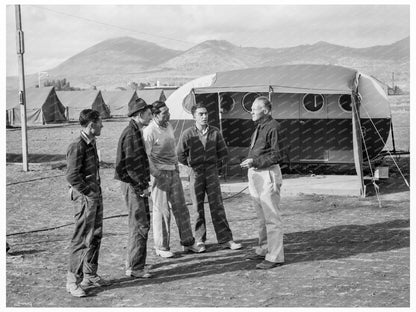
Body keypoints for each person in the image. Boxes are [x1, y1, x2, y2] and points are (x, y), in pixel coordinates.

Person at [176, 103, 242, 251]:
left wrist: (214, 164)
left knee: (217, 206)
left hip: (211, 172)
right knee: (197, 208)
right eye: (200, 114)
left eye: (205, 113)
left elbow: (223, 152)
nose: (204, 116)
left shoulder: (215, 132)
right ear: (194, 116)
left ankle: (226, 239)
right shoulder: (187, 134)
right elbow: (180, 153)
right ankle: (199, 240)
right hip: (196, 173)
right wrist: (190, 164)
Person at [143, 101, 204, 258]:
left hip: (173, 172)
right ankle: (161, 247)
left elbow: (172, 149)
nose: (168, 114)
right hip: (159, 174)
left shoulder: (168, 126)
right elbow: (146, 156)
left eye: (168, 111)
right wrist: (155, 173)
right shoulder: (149, 131)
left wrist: (176, 168)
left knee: (181, 209)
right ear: (155, 115)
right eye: (164, 112)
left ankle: (188, 242)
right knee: (162, 211)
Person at [65, 109, 107, 297]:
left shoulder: (91, 142)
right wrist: (89, 192)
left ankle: (90, 274)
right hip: (85, 199)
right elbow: (72, 175)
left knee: (96, 235)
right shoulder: (77, 145)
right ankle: (72, 281)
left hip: (94, 196)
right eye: (99, 123)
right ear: (91, 125)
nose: (102, 126)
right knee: (81, 238)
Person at [240, 96, 285, 269]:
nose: (251, 111)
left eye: (254, 108)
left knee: (272, 217)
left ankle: (275, 256)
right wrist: (251, 162)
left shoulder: (274, 127)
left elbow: (277, 155)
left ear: (265, 111)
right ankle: (263, 249)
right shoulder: (260, 127)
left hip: (268, 174)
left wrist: (254, 162)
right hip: (257, 174)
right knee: (261, 216)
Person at [114, 98, 153, 278]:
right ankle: (136, 267)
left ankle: (133, 262)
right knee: (140, 224)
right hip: (133, 185)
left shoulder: (136, 131)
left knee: (139, 224)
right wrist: (142, 187)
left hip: (135, 184)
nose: (151, 116)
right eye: (148, 113)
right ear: (139, 114)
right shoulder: (131, 134)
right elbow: (130, 167)